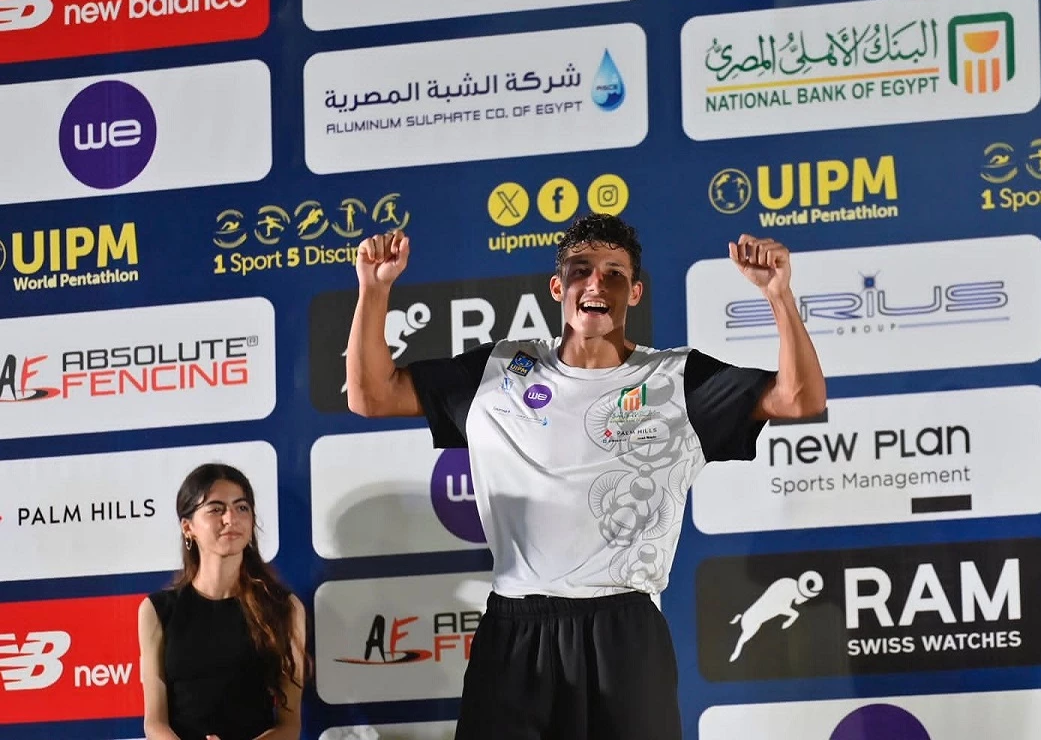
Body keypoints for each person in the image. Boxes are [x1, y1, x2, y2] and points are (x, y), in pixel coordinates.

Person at [346, 214, 826, 740]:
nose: (596, 283)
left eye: (614, 274)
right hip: (515, 631)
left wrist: (779, 294)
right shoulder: (501, 369)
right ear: (559, 287)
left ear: (635, 293)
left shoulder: (676, 379)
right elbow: (371, 395)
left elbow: (800, 399)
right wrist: (375, 289)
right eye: (581, 271)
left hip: (624, 634)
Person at [137, 463, 307, 740]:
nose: (231, 518)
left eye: (242, 508)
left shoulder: (284, 607)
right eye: (216, 509)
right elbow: (154, 723)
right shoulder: (157, 610)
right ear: (188, 527)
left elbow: (290, 726)